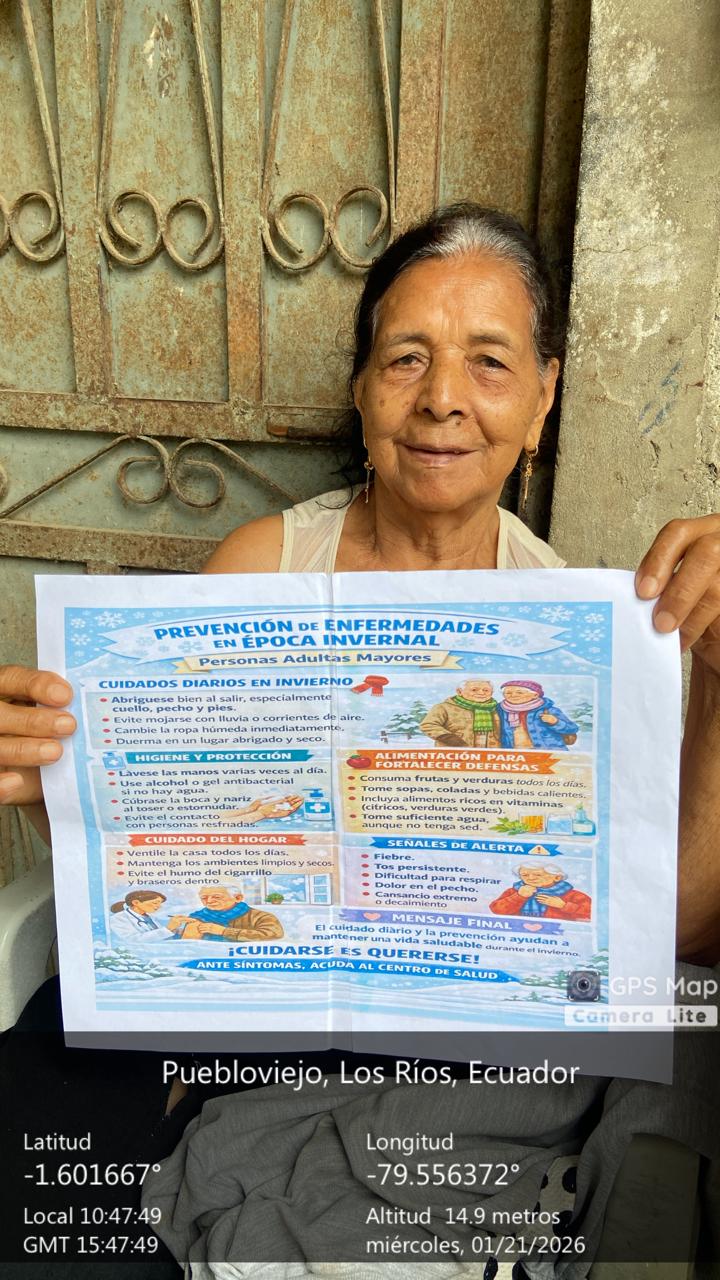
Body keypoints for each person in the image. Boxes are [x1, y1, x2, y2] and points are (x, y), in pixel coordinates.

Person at [2, 202, 717, 963]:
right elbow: (164, 850)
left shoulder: (578, 632)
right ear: (361, 388)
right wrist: (49, 782)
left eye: (489, 361)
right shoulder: (261, 569)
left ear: (542, 398)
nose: (442, 398)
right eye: (407, 358)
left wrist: (716, 672)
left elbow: (678, 932)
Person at [168, 884, 284, 941]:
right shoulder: (197, 917)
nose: (209, 901)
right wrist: (172, 929)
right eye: (204, 898)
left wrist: (224, 931)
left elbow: (274, 934)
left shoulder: (261, 916)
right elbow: (186, 946)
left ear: (238, 898)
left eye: (217, 897)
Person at [497, 678, 578, 750]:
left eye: (519, 692)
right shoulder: (501, 710)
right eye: (508, 693)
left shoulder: (549, 710)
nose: (513, 695)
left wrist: (555, 722)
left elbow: (572, 728)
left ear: (535, 695)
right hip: (515, 753)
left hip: (547, 751)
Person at [489, 863, 592, 920]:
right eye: (525, 875)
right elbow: (496, 910)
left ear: (557, 877)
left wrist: (563, 905)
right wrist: (518, 896)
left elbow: (589, 913)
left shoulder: (572, 894)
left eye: (538, 875)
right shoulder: (515, 891)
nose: (531, 878)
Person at [420, 677, 501, 746]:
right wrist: (449, 738)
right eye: (474, 690)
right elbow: (428, 725)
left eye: (486, 690)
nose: (481, 693)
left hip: (491, 753)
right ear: (459, 692)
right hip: (455, 751)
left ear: (491, 693)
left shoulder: (497, 708)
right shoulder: (444, 707)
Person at [109, 889, 175, 940]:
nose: (159, 906)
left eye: (160, 903)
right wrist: (168, 929)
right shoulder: (118, 918)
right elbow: (132, 940)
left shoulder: (150, 917)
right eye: (155, 903)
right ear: (136, 902)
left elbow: (159, 936)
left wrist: (175, 931)